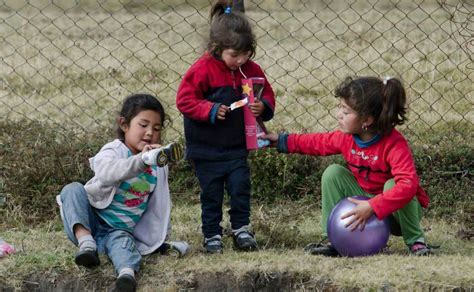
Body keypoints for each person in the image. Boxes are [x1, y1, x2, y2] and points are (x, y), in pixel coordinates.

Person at [263, 76, 432, 256]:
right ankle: (333, 239)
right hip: (363, 201)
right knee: (333, 173)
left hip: (396, 215)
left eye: (346, 111)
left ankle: (416, 242)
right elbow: (316, 142)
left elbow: (408, 184)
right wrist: (282, 141)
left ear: (366, 120)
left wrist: (373, 206)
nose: (339, 114)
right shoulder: (346, 138)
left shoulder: (394, 144)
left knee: (395, 184)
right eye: (340, 108)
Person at [57, 94, 188, 292]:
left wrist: (158, 238)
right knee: (72, 189)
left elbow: (159, 205)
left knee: (124, 246)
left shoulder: (157, 166)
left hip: (120, 230)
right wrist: (142, 160)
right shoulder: (114, 150)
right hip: (92, 221)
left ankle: (126, 276)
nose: (149, 133)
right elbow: (108, 173)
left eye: (157, 128)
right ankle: (87, 246)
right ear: (124, 124)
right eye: (143, 125)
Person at [176, 0, 276, 254]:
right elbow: (185, 100)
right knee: (211, 194)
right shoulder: (202, 70)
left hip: (236, 147)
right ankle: (212, 235)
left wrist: (263, 106)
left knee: (240, 187)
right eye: (234, 55)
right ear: (216, 48)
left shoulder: (250, 70)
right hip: (206, 149)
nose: (240, 60)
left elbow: (267, 93)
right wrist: (209, 110)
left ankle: (241, 229)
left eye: (246, 54)